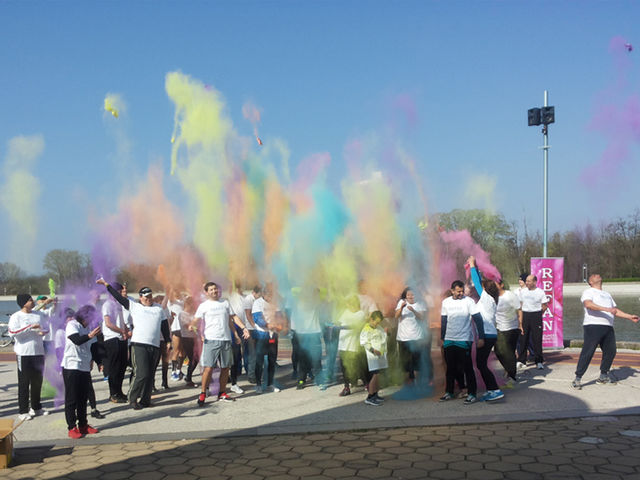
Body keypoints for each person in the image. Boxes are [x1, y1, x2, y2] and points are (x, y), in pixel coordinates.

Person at [96, 278, 171, 410]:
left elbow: (164, 325)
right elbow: (118, 297)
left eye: (150, 296)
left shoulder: (158, 308)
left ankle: (145, 400)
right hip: (139, 345)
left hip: (155, 345)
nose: (149, 299)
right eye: (146, 297)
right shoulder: (134, 306)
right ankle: (132, 398)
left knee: (150, 374)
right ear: (140, 297)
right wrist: (107, 285)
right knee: (141, 373)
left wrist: (168, 340)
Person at [571, 274, 639, 389]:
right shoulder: (589, 292)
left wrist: (629, 316)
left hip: (608, 327)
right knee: (588, 352)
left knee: (611, 351)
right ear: (590, 282)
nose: (597, 275)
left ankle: (603, 376)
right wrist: (607, 309)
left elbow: (615, 310)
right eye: (593, 275)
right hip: (593, 326)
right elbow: (588, 305)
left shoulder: (607, 294)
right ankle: (577, 378)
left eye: (598, 274)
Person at [191, 282, 249, 406]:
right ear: (206, 292)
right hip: (210, 340)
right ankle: (202, 393)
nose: (214, 291)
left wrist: (243, 329)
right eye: (211, 290)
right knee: (208, 368)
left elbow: (232, 318)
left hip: (226, 340)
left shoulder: (225, 303)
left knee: (225, 367)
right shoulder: (203, 306)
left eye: (215, 289)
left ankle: (222, 393)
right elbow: (196, 320)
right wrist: (192, 326)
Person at [439, 280, 485, 405]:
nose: (460, 293)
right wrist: (442, 337)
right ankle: (449, 392)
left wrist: (481, 336)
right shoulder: (446, 302)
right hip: (449, 339)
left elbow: (478, 319)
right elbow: (444, 320)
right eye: (458, 291)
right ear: (452, 290)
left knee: (467, 368)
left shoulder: (469, 301)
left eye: (462, 291)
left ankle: (472, 393)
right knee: (450, 368)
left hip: (464, 339)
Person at [9, 294, 51, 421]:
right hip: (24, 353)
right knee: (24, 383)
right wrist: (30, 328)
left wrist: (43, 331)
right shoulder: (16, 316)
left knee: (37, 382)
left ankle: (36, 407)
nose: (32, 301)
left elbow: (47, 328)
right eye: (29, 300)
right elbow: (12, 332)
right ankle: (23, 411)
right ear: (23, 303)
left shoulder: (38, 315)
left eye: (31, 299)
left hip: (38, 352)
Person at [62, 305, 101, 439]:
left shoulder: (89, 328)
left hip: (84, 366)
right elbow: (76, 340)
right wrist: (90, 335)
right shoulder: (72, 324)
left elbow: (94, 346)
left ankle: (83, 425)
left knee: (83, 398)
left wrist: (99, 361)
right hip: (71, 365)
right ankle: (72, 427)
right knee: (72, 398)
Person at [468, 257, 504, 402]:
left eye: (482, 288)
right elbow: (478, 283)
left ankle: (495, 389)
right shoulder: (489, 299)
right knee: (481, 364)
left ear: (485, 290)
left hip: (487, 335)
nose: (478, 289)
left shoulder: (486, 298)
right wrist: (476, 267)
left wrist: (471, 266)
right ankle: (491, 389)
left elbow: (477, 282)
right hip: (489, 334)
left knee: (481, 364)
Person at [101, 282, 130, 403]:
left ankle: (119, 391)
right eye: (119, 291)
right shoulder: (107, 304)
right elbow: (108, 323)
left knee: (122, 367)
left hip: (121, 337)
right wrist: (121, 330)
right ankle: (113, 393)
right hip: (112, 338)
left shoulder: (119, 304)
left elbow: (122, 321)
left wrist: (125, 330)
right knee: (114, 367)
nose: (120, 293)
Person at [251, 287, 281, 393]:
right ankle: (258, 384)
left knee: (272, 360)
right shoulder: (257, 303)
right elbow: (257, 318)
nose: (270, 297)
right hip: (261, 334)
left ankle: (270, 384)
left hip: (273, 335)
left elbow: (279, 315)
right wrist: (268, 325)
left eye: (272, 295)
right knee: (259, 361)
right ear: (264, 294)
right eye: (268, 295)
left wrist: (279, 325)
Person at [394, 287, 427, 383]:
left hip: (417, 336)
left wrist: (413, 310)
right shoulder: (401, 302)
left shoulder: (420, 303)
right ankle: (408, 383)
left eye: (412, 294)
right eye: (408, 295)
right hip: (403, 337)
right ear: (405, 296)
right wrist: (401, 308)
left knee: (417, 360)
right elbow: (396, 316)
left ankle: (417, 382)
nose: (410, 296)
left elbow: (422, 318)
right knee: (405, 361)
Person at [494, 278, 522, 386]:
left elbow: (519, 309)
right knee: (498, 351)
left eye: (495, 284)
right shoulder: (493, 297)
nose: (494, 287)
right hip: (499, 327)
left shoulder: (509, 295)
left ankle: (512, 375)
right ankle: (509, 369)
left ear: (501, 285)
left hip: (511, 327)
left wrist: (520, 324)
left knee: (509, 351)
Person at [336, 295, 366, 397]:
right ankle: (346, 387)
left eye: (349, 303)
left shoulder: (361, 313)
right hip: (343, 344)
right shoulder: (345, 312)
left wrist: (341, 326)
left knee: (359, 366)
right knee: (344, 367)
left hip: (353, 344)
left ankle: (367, 384)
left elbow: (354, 325)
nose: (348, 306)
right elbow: (339, 322)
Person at [517, 275, 548, 370]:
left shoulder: (540, 292)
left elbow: (544, 306)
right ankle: (522, 361)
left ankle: (538, 361)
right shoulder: (522, 292)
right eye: (526, 281)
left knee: (537, 339)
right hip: (525, 315)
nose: (527, 283)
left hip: (536, 316)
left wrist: (538, 314)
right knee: (523, 339)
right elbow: (520, 306)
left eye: (529, 281)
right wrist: (520, 322)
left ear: (535, 282)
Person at [360, 310, 388, 406]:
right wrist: (373, 350)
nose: (377, 324)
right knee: (374, 375)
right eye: (376, 322)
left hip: (380, 355)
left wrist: (386, 333)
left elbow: (383, 337)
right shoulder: (366, 329)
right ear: (371, 319)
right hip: (373, 356)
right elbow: (364, 342)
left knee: (378, 375)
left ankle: (375, 394)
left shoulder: (379, 327)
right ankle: (370, 397)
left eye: (379, 322)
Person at [243, 286, 261, 383]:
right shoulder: (248, 299)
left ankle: (256, 372)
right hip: (250, 329)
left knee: (258, 352)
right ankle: (251, 375)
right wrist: (254, 326)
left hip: (257, 328)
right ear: (254, 292)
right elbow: (248, 314)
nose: (259, 297)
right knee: (252, 353)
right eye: (258, 295)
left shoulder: (258, 300)